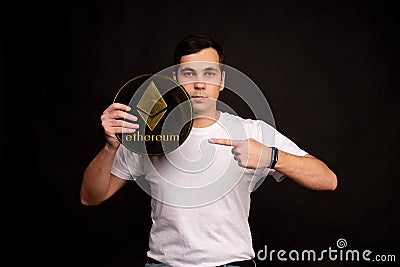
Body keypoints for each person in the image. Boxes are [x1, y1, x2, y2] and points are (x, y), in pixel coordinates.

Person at [80, 33, 337, 267]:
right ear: (174, 80)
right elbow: (90, 197)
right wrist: (110, 147)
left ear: (222, 80)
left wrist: (271, 157)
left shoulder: (253, 132)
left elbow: (327, 179)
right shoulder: (148, 135)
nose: (200, 84)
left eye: (210, 73)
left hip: (233, 263)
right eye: (189, 73)